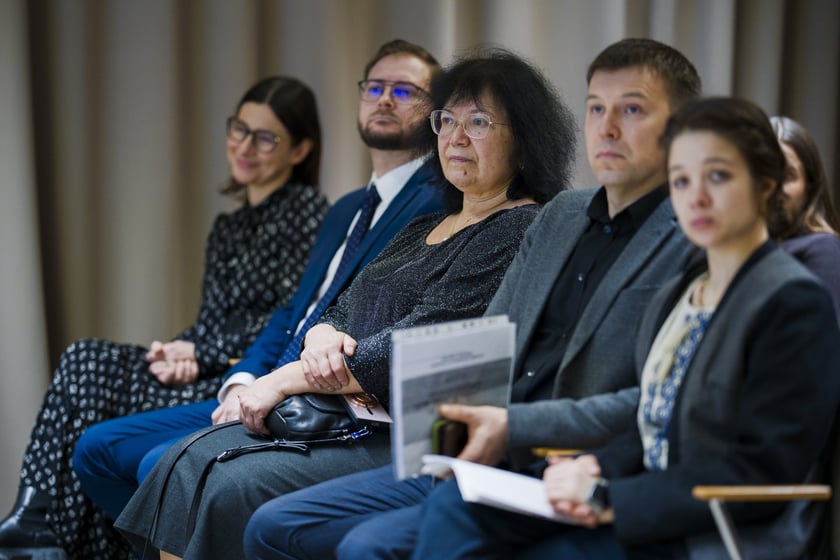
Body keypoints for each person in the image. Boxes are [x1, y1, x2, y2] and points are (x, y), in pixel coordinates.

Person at [242, 37, 701, 560]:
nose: (608, 127)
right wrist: (446, 442)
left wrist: (508, 430)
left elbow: (666, 399)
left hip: (579, 465)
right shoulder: (563, 215)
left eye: (632, 109)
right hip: (483, 451)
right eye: (596, 108)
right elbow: (483, 343)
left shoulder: (690, 237)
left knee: (365, 547)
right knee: (272, 527)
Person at [112, 46, 576, 560]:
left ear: (525, 140)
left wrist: (284, 379)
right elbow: (342, 306)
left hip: (404, 433)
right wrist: (322, 334)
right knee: (182, 463)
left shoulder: (518, 226)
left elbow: (415, 345)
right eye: (446, 120)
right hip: (340, 413)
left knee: (222, 484)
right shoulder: (425, 226)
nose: (456, 137)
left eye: (479, 122)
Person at [411, 97, 840, 560]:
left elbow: (760, 470)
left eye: (717, 176)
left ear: (765, 185)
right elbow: (657, 421)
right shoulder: (682, 290)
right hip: (634, 495)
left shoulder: (792, 301)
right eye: (681, 180)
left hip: (705, 528)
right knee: (455, 508)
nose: (695, 197)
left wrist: (609, 496)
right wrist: (594, 466)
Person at [71, 38, 444, 540]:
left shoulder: (437, 201)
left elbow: (367, 317)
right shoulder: (346, 209)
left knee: (161, 465)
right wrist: (242, 378)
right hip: (261, 375)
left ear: (435, 112)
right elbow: (294, 311)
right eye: (375, 87)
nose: (384, 99)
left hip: (318, 393)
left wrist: (277, 382)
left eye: (404, 90)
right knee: (96, 450)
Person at [0, 75, 330, 560]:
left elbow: (282, 322)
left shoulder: (307, 213)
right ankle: (38, 517)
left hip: (239, 380)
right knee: (86, 358)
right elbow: (211, 320)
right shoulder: (229, 226)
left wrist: (200, 354)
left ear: (299, 150)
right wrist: (177, 350)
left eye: (265, 138)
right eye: (239, 129)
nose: (244, 147)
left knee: (95, 389)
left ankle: (56, 535)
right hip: (208, 365)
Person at [768, 115, 840, 315]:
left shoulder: (822, 249)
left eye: (788, 175)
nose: (774, 187)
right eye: (764, 175)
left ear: (810, 186)